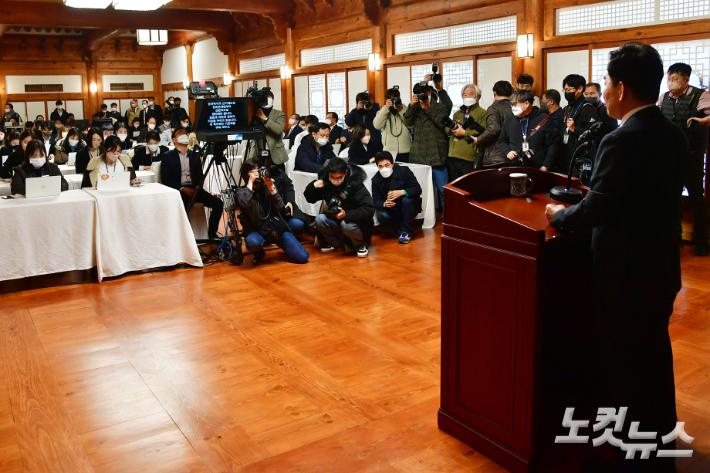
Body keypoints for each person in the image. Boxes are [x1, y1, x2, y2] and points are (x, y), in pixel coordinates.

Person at [545, 42, 687, 472]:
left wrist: (559, 214)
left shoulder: (623, 139)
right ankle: (661, 452)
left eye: (605, 83)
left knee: (624, 371)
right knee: (655, 366)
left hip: (624, 275)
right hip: (660, 270)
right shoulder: (673, 133)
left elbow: (597, 209)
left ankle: (630, 458)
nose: (603, 91)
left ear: (621, 87)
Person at [657, 62, 710, 256]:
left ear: (686, 80)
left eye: (675, 78)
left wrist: (703, 120)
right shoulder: (664, 98)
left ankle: (702, 241)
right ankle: (675, 237)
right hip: (670, 157)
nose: (671, 82)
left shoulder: (700, 96)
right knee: (672, 198)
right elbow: (656, 117)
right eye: (669, 78)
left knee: (696, 198)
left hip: (693, 156)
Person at [236, 160, 310, 266]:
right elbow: (244, 204)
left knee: (303, 257)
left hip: (275, 227)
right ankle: (259, 254)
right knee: (253, 243)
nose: (257, 172)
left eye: (259, 169)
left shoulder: (266, 188)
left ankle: (285, 246)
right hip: (256, 230)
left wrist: (271, 187)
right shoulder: (241, 191)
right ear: (247, 174)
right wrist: (250, 183)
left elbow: (280, 205)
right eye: (253, 170)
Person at [305, 157, 375, 257]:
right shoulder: (327, 183)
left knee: (346, 224)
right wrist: (313, 186)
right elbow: (310, 199)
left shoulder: (355, 185)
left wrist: (347, 214)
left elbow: (369, 209)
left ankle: (360, 245)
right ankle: (334, 244)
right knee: (320, 219)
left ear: (345, 173)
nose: (335, 180)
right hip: (336, 219)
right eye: (332, 177)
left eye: (339, 177)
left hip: (357, 223)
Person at [161, 128, 223, 238]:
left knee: (218, 203)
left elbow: (200, 176)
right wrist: (182, 189)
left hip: (195, 189)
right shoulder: (167, 156)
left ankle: (212, 233)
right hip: (178, 191)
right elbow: (166, 179)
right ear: (174, 139)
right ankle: (186, 238)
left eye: (185, 133)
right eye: (180, 133)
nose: (184, 134)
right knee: (183, 209)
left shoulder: (195, 155)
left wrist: (196, 189)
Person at [404, 84, 449, 215]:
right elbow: (407, 123)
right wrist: (412, 106)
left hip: (437, 153)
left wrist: (428, 108)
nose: (423, 96)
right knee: (420, 188)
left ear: (431, 92)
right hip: (419, 154)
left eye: (425, 92)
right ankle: (421, 215)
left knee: (443, 188)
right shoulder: (414, 109)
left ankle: (447, 215)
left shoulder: (440, 107)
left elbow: (442, 123)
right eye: (419, 94)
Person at [498, 89, 560, 171]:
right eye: (512, 104)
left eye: (515, 104)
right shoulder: (509, 121)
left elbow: (553, 145)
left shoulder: (545, 121)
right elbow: (502, 140)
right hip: (514, 166)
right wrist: (507, 152)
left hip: (538, 169)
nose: (513, 107)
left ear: (526, 104)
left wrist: (546, 165)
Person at [371, 151, 422, 244]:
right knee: (382, 215)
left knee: (407, 200)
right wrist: (384, 204)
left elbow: (417, 189)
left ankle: (406, 232)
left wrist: (402, 192)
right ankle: (398, 230)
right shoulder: (375, 179)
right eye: (380, 166)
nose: (384, 169)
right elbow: (376, 200)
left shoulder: (404, 171)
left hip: (409, 206)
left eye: (387, 165)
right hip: (393, 209)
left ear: (393, 164)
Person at [559, 74, 599, 175]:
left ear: (580, 89)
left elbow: (595, 132)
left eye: (569, 90)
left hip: (580, 160)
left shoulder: (587, 108)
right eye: (565, 90)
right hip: (564, 158)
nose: (567, 93)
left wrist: (574, 129)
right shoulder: (566, 109)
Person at [446, 83, 486, 180]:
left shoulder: (483, 113)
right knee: (454, 187)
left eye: (471, 94)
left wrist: (464, 133)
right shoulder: (458, 113)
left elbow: (484, 132)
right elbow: (447, 131)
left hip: (469, 157)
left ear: (478, 97)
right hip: (453, 155)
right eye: (465, 95)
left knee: (469, 186)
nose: (467, 97)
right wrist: (452, 128)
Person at [476, 80, 514, 169]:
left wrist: (478, 140)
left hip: (496, 156)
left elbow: (493, 129)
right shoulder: (516, 107)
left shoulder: (494, 108)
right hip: (513, 153)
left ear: (494, 92)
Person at [247, 88, 288, 170]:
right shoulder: (254, 113)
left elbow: (278, 129)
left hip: (275, 153)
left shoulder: (279, 114)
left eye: (268, 99)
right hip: (258, 151)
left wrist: (264, 118)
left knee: (278, 179)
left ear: (272, 100)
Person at [373, 87, 411, 162]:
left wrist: (400, 110)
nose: (393, 102)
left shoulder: (405, 110)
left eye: (395, 99)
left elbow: (410, 122)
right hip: (389, 151)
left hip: (406, 150)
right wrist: (386, 109)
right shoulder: (383, 112)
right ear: (386, 100)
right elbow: (377, 125)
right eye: (391, 100)